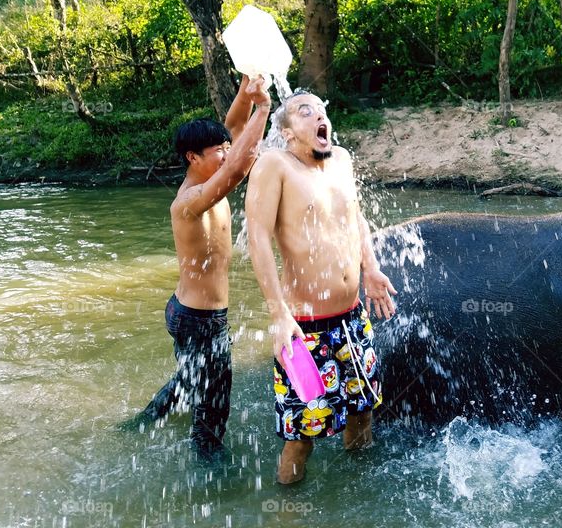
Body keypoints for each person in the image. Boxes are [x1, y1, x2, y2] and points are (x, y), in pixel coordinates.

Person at [245, 90, 397, 484]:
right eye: (305, 111)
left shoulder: (341, 160)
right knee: (302, 437)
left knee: (364, 410)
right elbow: (258, 238)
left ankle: (356, 492)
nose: (319, 117)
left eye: (322, 110)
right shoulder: (274, 165)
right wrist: (277, 314)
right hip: (303, 328)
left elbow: (355, 218)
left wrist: (371, 268)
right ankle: (287, 511)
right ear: (287, 131)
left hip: (352, 319)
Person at [129, 74, 271, 458]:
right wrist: (265, 107)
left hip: (192, 312)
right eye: (218, 150)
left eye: (226, 148)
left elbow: (234, 127)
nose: (226, 152)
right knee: (213, 399)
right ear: (193, 157)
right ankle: (209, 467)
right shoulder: (190, 201)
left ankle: (141, 424)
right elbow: (237, 170)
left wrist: (246, 88)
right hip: (198, 318)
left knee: (192, 380)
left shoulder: (209, 174)